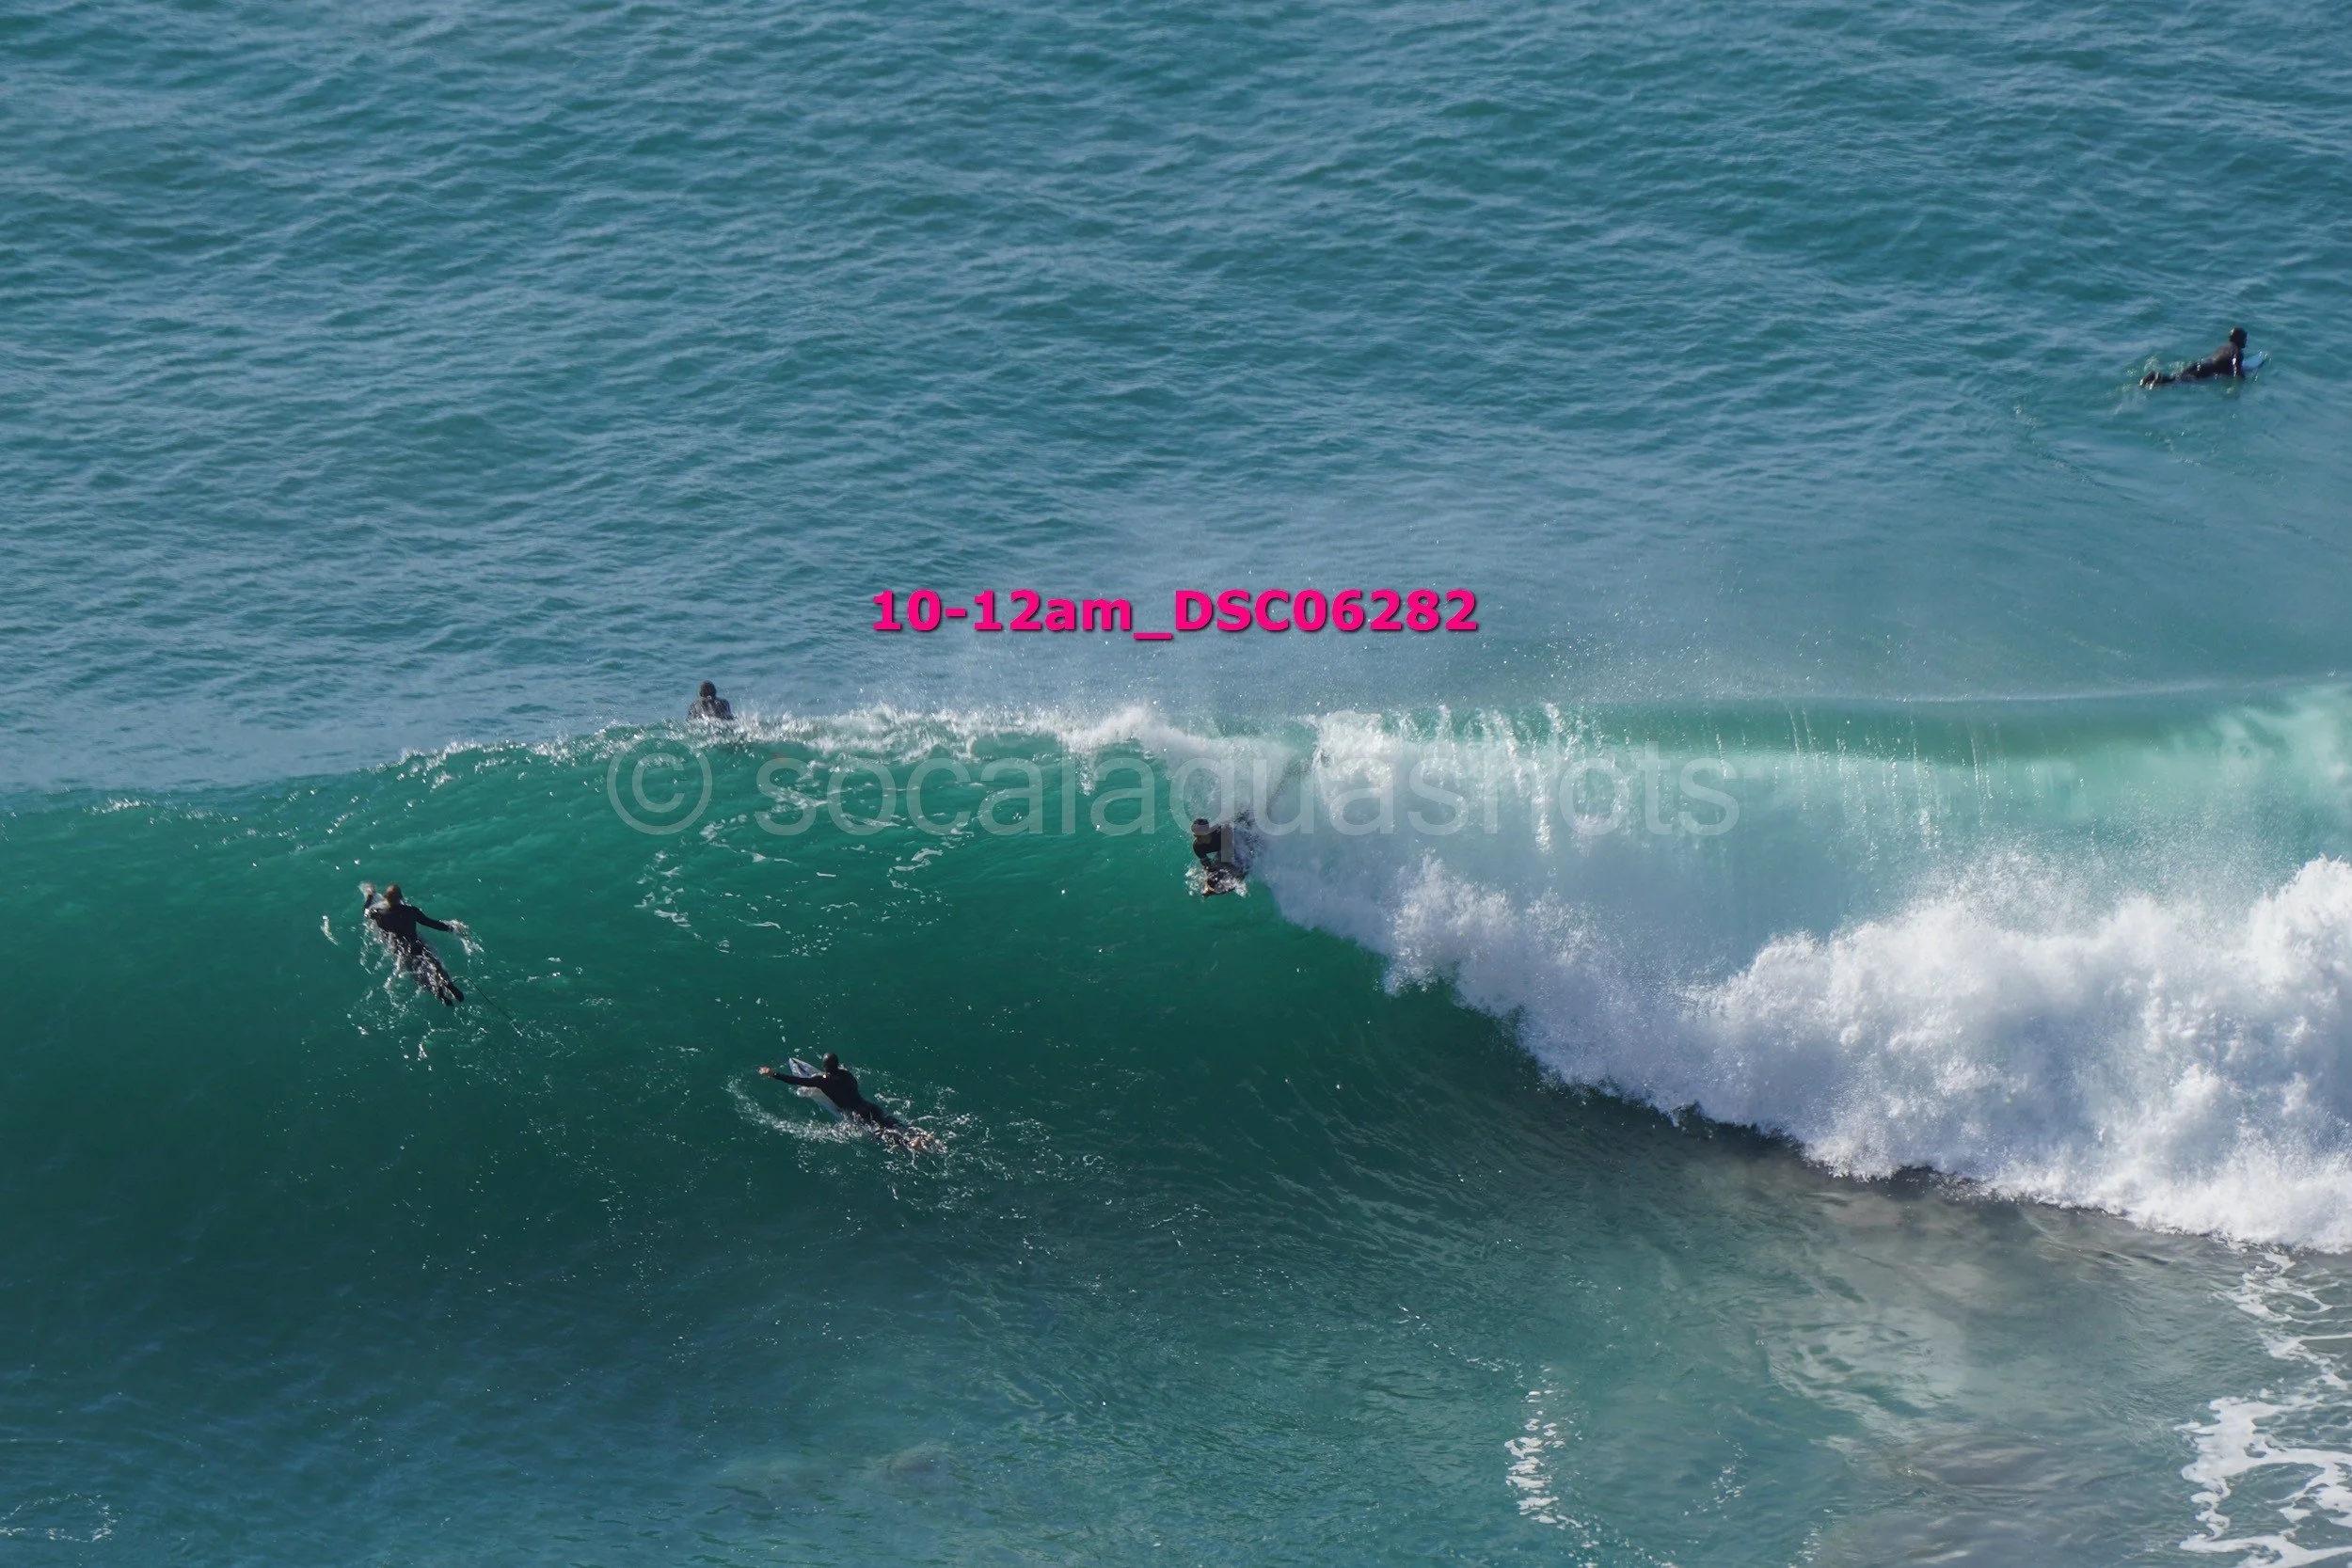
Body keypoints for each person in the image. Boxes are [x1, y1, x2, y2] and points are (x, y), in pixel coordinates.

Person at [361, 882, 464, 1006]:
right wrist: (451, 928)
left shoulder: (379, 914)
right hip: (416, 945)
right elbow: (430, 923)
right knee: (434, 964)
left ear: (385, 897)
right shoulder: (411, 911)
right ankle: (449, 985)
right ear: (401, 898)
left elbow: (366, 911)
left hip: (400, 949)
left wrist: (370, 896)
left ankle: (439, 994)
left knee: (419, 975)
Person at [760, 1053, 901, 1131]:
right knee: (894, 1124)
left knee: (883, 1135)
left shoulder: (822, 1081)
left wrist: (773, 1074)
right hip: (869, 1106)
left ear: (824, 1066)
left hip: (857, 1114)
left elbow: (796, 1081)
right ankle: (919, 1137)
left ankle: (910, 1144)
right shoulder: (847, 1074)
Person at [2142, 327, 2247, 388]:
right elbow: (2236, 369)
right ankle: (2157, 378)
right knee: (2177, 381)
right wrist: (2241, 382)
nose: (2245, 341)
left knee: (2176, 376)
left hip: (2200, 364)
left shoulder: (2222, 347)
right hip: (2207, 370)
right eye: (2244, 338)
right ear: (2239, 339)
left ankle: (2154, 376)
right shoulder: (2238, 352)